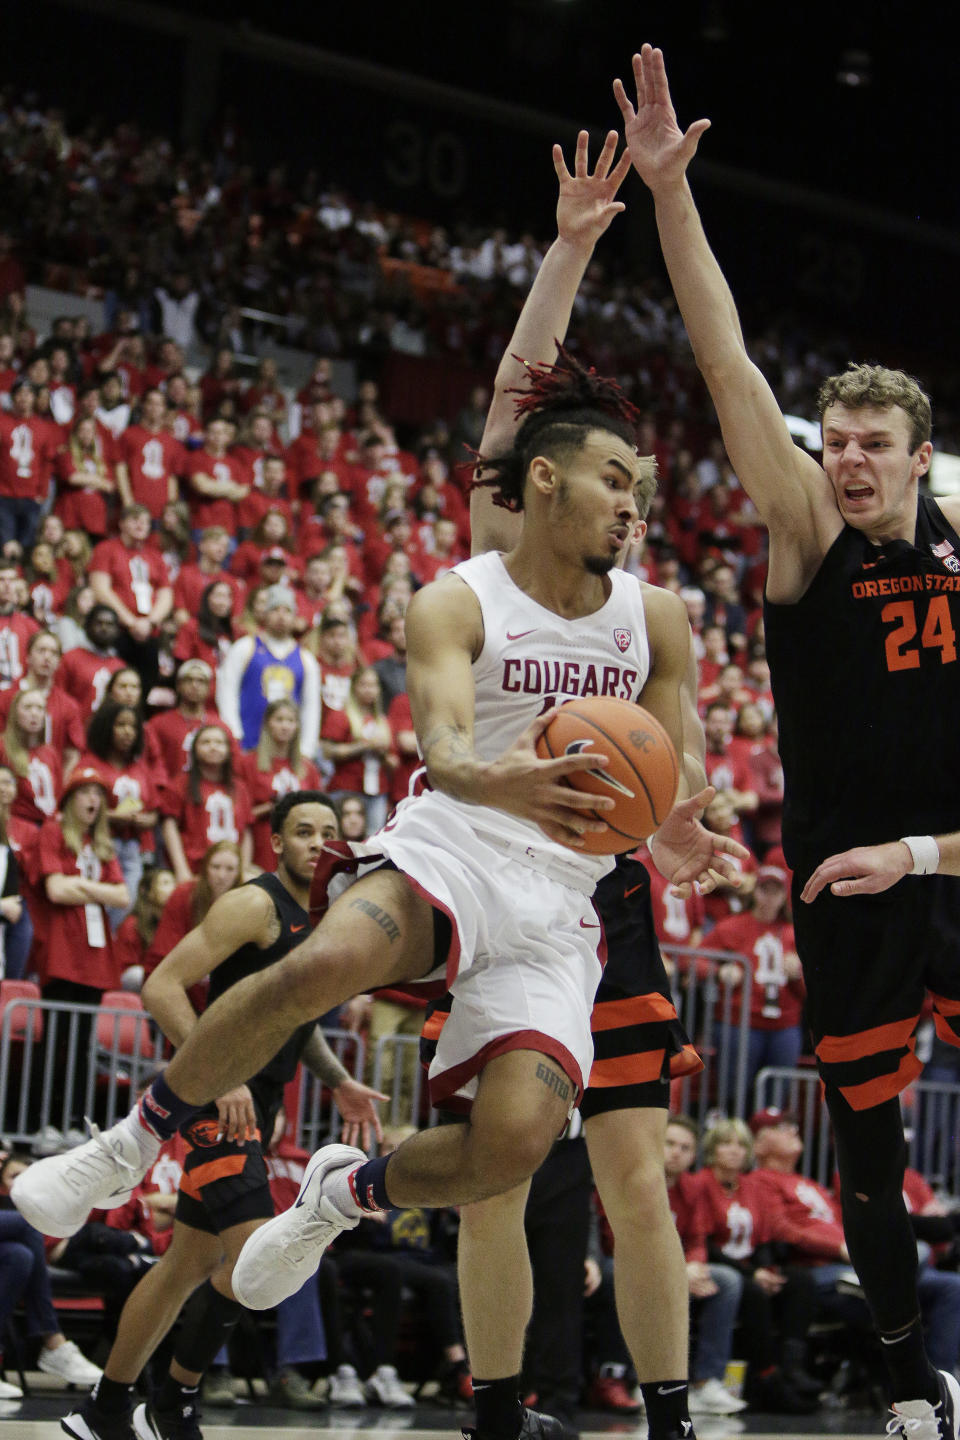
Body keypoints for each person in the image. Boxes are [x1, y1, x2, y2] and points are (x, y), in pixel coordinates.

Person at [13, 243, 740, 1440]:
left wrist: (683, 821)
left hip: (562, 904)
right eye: (616, 480)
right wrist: (566, 249)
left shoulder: (653, 616)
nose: (634, 506)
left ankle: (348, 1189)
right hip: (459, 838)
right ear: (540, 481)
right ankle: (134, 1136)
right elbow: (446, 746)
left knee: (512, 1148)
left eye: (646, 495)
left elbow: (678, 760)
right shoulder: (464, 588)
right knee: (313, 967)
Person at [616, 41, 960, 1431]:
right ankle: (901, 1372)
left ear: (923, 455)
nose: (852, 456)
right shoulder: (810, 523)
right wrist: (670, 201)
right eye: (841, 437)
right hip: (841, 872)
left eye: (877, 441)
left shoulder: (954, 523)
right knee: (869, 1163)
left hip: (948, 852)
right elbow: (724, 360)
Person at [61, 792, 386, 1440]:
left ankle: (103, 1409)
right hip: (214, 1099)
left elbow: (292, 1023)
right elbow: (160, 987)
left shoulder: (321, 917)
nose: (319, 842)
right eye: (303, 831)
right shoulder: (253, 904)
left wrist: (340, 1079)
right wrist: (224, 1073)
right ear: (275, 842)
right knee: (255, 1263)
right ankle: (174, 1402)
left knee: (186, 1265)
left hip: (254, 1104)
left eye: (328, 831)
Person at [662, 1116, 746, 1416]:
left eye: (685, 1147)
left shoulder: (693, 1188)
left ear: (694, 1155)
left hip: (679, 1268)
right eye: (669, 1143)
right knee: (662, 1284)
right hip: (634, 1265)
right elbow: (618, 1239)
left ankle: (707, 1382)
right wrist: (678, 1270)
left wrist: (694, 1265)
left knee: (727, 1280)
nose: (676, 1152)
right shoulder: (640, 1179)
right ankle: (650, 1382)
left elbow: (697, 1239)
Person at [216, 582, 321, 757]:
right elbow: (227, 692)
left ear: (295, 617)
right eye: (275, 610)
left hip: (288, 751)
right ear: (265, 614)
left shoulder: (306, 659)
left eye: (287, 611)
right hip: (248, 744)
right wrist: (234, 734)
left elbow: (311, 706)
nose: (281, 616)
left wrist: (306, 749)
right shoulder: (245, 647)